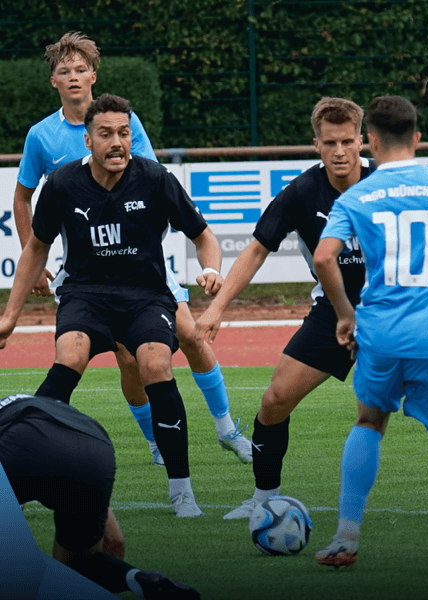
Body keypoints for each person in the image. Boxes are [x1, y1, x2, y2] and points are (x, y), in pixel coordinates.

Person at [195, 97, 428, 520]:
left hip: (393, 311)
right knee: (275, 399)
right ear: (315, 144)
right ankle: (263, 500)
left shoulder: (387, 182)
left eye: (348, 141)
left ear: (364, 142)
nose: (339, 151)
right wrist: (216, 307)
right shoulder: (301, 192)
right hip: (333, 314)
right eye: (329, 142)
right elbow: (257, 250)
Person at [11, 31, 251, 466]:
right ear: (53, 82)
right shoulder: (41, 137)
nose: (73, 78)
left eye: (80, 69)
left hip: (141, 263)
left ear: (92, 75)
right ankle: (158, 444)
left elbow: (148, 181)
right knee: (128, 359)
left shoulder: (124, 121)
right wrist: (36, 258)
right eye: (64, 71)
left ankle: (227, 429)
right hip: (90, 271)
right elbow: (23, 198)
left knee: (193, 337)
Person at [0, 94, 221, 517]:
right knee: (70, 357)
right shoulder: (63, 184)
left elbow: (203, 235)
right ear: (88, 141)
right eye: (106, 134)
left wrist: (212, 270)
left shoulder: (155, 178)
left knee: (155, 364)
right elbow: (36, 248)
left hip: (145, 296)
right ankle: (17, 475)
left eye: (124, 133)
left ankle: (182, 491)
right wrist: (10, 315)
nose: (117, 142)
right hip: (85, 295)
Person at [312, 95, 428, 572]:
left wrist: (344, 314)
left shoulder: (355, 197)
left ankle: (345, 537)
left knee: (369, 423)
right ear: (417, 138)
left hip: (378, 331)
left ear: (369, 142)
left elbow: (322, 258)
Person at [0, 393, 200, 598]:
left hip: (22, 441)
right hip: (95, 448)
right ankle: (141, 580)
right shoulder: (37, 407)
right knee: (81, 564)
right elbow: (115, 541)